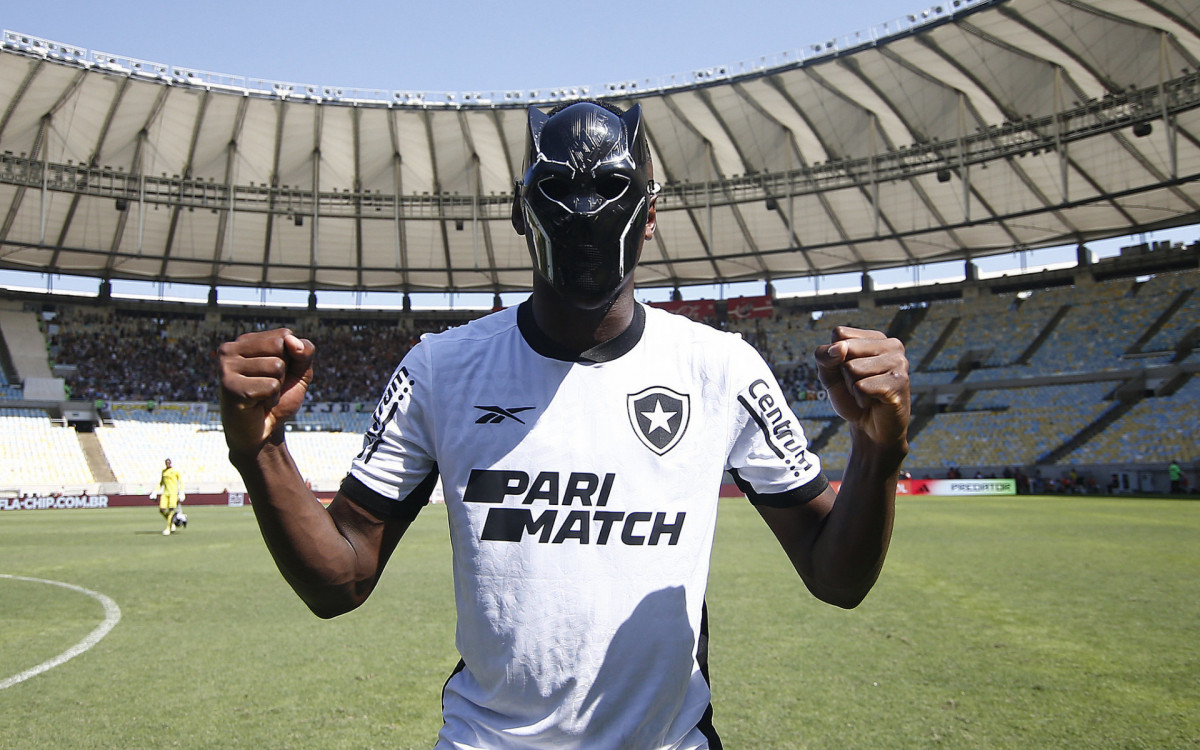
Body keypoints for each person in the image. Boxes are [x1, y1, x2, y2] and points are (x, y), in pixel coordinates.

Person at [218, 101, 911, 750]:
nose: (585, 213)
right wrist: (261, 451)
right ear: (520, 213)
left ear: (648, 216)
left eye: (612, 189)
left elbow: (835, 575)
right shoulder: (440, 370)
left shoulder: (721, 369)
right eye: (556, 191)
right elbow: (340, 578)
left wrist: (879, 452)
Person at [149, 458, 185, 535]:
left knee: (171, 510)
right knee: (161, 510)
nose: (167, 463)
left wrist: (181, 492)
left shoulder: (175, 471)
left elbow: (181, 482)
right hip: (165, 493)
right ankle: (172, 522)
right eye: (166, 462)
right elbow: (161, 483)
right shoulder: (164, 471)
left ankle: (168, 528)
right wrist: (155, 492)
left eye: (169, 462)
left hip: (173, 493)